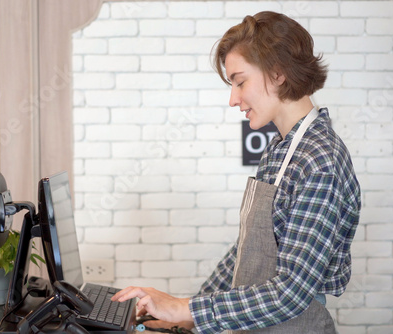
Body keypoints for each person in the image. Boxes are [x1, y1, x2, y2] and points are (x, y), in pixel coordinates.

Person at [112, 11, 361, 333]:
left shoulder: (319, 160)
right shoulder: (280, 147)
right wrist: (187, 317)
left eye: (240, 82)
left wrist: (183, 308)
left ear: (278, 73)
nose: (233, 99)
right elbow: (246, 253)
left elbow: (290, 293)